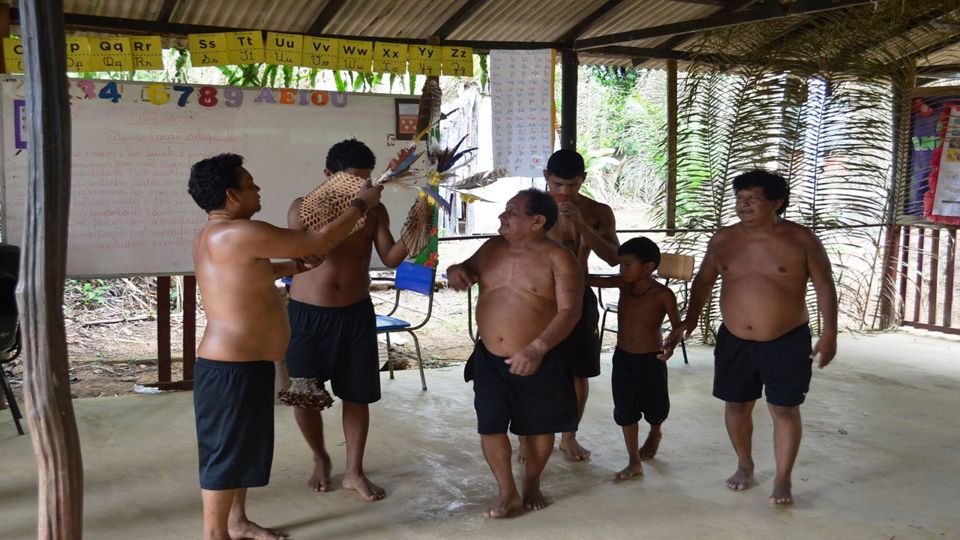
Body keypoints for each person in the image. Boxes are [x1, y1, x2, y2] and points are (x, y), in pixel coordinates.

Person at [188, 153, 382, 540]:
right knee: (225, 453)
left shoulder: (219, 235)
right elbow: (321, 238)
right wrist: (362, 203)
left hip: (244, 364)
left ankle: (237, 522)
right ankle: (215, 534)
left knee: (241, 451)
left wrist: (297, 268)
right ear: (231, 194)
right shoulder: (241, 232)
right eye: (250, 184)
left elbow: (257, 272)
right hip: (231, 367)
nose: (258, 189)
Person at [666, 170, 837, 506]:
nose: (743, 205)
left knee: (784, 409)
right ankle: (745, 465)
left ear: (777, 202)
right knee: (736, 405)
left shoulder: (800, 240)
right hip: (735, 339)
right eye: (740, 198)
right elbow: (703, 281)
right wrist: (690, 318)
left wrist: (829, 333)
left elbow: (824, 286)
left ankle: (783, 478)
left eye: (752, 199)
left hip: (786, 338)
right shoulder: (723, 240)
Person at [283, 139, 414, 502]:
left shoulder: (375, 211)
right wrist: (358, 207)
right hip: (308, 314)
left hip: (355, 312)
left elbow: (390, 258)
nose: (361, 187)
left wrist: (417, 228)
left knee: (358, 395)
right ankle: (320, 456)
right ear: (328, 176)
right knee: (305, 394)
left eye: (365, 180)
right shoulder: (303, 208)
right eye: (352, 180)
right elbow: (313, 249)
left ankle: (354, 471)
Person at [447, 189, 583, 518]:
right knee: (490, 425)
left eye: (512, 212)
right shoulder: (492, 248)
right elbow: (463, 269)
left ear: (537, 221)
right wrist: (456, 271)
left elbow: (569, 312)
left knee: (538, 428)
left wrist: (537, 348)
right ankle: (507, 491)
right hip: (490, 358)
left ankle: (532, 483)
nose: (502, 218)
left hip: (540, 357)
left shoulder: (560, 258)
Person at [539, 148, 619, 462]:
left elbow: (613, 257)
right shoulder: (531, 206)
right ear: (546, 178)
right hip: (539, 298)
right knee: (533, 367)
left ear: (582, 180)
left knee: (578, 371)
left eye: (571, 186)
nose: (563, 192)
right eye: (557, 185)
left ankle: (568, 436)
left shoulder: (598, 211)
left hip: (578, 295)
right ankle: (531, 433)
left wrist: (583, 225)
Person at [587, 237, 680, 480]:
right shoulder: (623, 285)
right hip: (623, 358)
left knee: (656, 406)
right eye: (620, 265)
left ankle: (655, 431)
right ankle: (633, 461)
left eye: (627, 265)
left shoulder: (663, 294)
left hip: (651, 359)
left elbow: (678, 327)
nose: (622, 270)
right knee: (625, 409)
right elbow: (592, 280)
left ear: (648, 267)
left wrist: (671, 345)